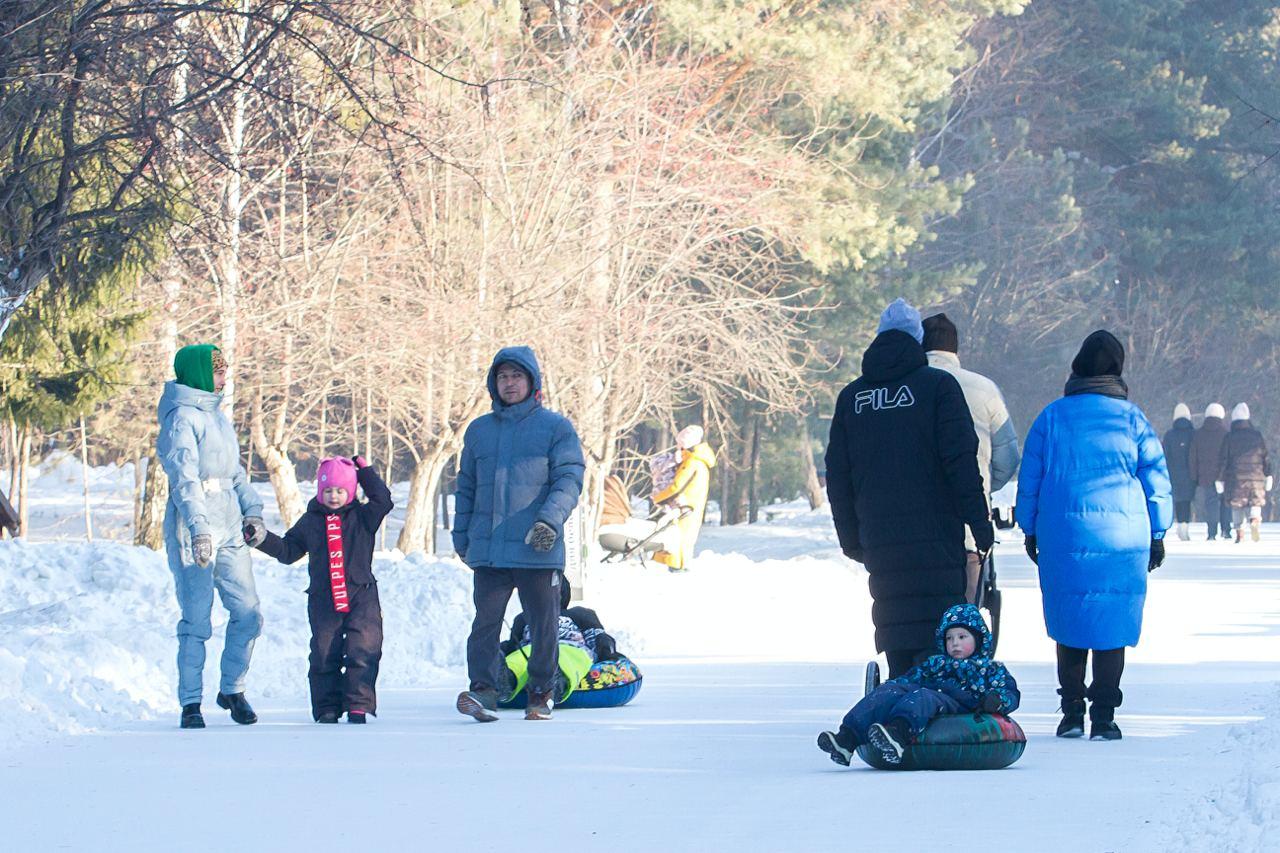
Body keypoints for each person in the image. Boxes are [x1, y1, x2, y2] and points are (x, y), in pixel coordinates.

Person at [825, 298, 994, 679]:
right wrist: (979, 525)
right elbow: (961, 462)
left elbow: (838, 476)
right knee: (940, 630)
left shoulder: (853, 398)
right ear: (918, 342)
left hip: (882, 540)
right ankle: (932, 718)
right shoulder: (938, 387)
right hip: (937, 537)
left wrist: (851, 538)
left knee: (897, 622)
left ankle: (899, 703)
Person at [1017, 330, 1172, 741]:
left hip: (1063, 531)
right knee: (1110, 622)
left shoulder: (1051, 417)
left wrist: (1029, 527)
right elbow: (1156, 478)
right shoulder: (1133, 419)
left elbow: (1030, 478)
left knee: (1070, 620)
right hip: (1121, 538)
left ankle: (1070, 712)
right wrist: (1158, 531)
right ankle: (1104, 714)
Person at [453, 346, 585, 722]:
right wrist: (462, 537)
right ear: (494, 384)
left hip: (538, 545)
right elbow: (466, 487)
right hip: (491, 547)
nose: (509, 383)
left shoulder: (556, 428)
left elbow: (569, 478)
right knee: (485, 624)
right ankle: (483, 692)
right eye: (502, 377)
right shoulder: (479, 431)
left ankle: (541, 693)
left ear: (532, 382)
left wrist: (549, 520)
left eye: (516, 376)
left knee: (543, 623)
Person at [156, 344, 265, 729]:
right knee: (197, 619)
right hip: (194, 526)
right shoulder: (181, 418)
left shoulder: (218, 417)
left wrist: (253, 510)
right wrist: (199, 527)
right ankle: (190, 702)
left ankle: (232, 687)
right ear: (200, 374)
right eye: (218, 372)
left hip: (230, 523)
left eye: (225, 371)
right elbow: (184, 478)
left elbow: (234, 473)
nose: (224, 379)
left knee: (248, 613)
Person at [252, 456, 393, 723]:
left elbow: (383, 500)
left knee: (362, 650)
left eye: (340, 490)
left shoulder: (363, 517)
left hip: (361, 596)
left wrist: (365, 472)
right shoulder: (311, 521)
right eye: (328, 490)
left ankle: (358, 705)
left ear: (350, 491)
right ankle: (326, 707)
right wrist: (262, 539)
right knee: (323, 654)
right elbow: (288, 551)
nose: (334, 496)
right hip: (323, 599)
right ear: (319, 491)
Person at [816, 604, 1019, 767]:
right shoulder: (936, 662)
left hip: (962, 703)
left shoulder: (989, 668)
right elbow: (912, 678)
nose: (955, 643)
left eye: (962, 637)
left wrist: (998, 701)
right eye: (949, 638)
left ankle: (898, 733)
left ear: (978, 639)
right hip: (931, 693)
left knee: (923, 696)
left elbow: (1009, 692)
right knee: (890, 692)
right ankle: (846, 739)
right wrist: (891, 687)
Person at [922, 313, 1021, 601]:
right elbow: (1008, 458)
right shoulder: (983, 388)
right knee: (965, 621)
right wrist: (984, 488)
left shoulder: (905, 390)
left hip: (915, 531)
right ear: (955, 349)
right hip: (969, 530)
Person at [499, 572, 623, 701]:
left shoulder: (579, 614)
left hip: (570, 648)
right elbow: (513, 646)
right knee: (519, 659)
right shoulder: (524, 618)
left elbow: (597, 638)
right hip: (531, 649)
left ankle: (557, 682)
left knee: (563, 658)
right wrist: (498, 651)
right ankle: (506, 680)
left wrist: (607, 653)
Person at [651, 425, 717, 573]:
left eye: (680, 443)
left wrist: (658, 498)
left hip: (685, 507)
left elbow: (677, 486)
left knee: (677, 539)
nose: (678, 446)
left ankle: (677, 568)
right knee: (684, 539)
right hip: (690, 505)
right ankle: (679, 566)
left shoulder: (691, 463)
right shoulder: (697, 461)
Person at [1217, 403, 1272, 544]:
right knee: (1254, 503)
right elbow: (1265, 457)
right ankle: (1254, 520)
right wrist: (1268, 474)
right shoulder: (1257, 436)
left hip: (1235, 478)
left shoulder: (1229, 437)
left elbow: (1224, 460)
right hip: (1256, 476)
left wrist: (1219, 479)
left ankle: (1239, 533)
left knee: (1237, 506)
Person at [1189, 403, 1232, 541]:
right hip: (1224, 475)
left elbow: (1192, 457)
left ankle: (1211, 533)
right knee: (1226, 503)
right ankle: (1226, 530)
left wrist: (1194, 476)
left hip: (1205, 476)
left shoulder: (1198, 434)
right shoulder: (1226, 434)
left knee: (1210, 504)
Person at [1162, 403, 1196, 541]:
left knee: (1178, 500)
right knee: (1187, 501)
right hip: (1190, 473)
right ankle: (1185, 526)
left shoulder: (1169, 435)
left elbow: (1165, 455)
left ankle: (1180, 525)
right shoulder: (1193, 434)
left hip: (1173, 473)